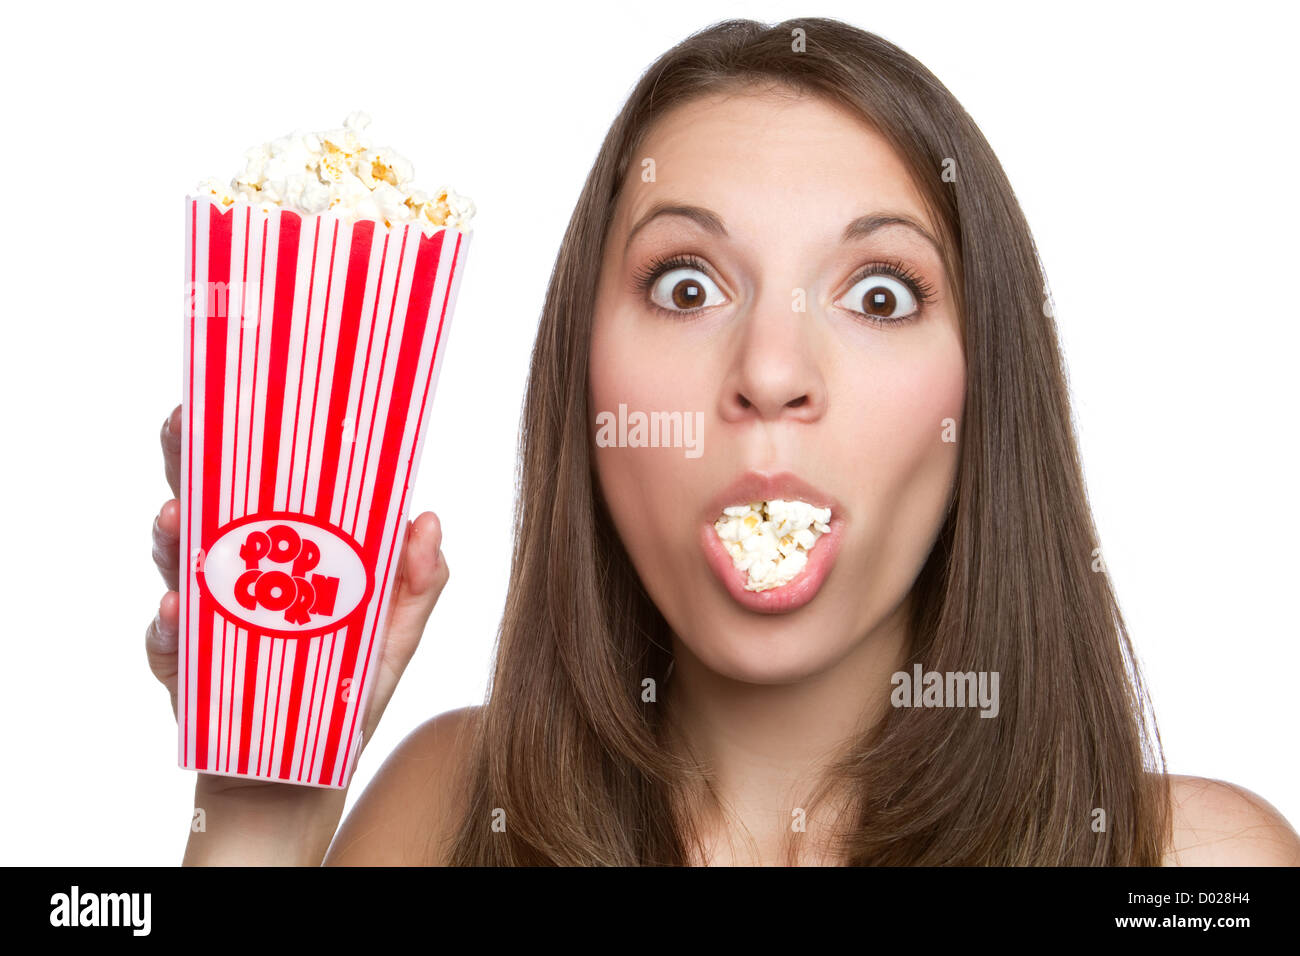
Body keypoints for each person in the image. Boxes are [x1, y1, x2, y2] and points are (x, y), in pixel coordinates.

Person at [146, 17, 1300, 866]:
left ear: (984, 392)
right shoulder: (442, 816)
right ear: (583, 385)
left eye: (880, 294)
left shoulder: (1197, 868)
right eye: (687, 285)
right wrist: (260, 798)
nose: (769, 373)